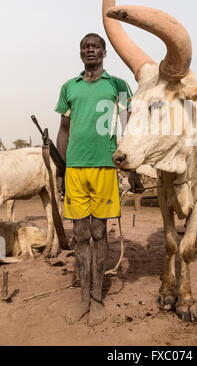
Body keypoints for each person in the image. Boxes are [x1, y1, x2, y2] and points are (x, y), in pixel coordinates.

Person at [55, 33, 143, 326]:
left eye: (95, 46)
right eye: (85, 46)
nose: (89, 50)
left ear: (105, 52)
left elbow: (129, 126)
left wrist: (132, 167)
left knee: (99, 233)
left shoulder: (118, 86)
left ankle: (96, 298)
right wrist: (60, 169)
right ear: (80, 53)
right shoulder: (70, 87)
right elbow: (64, 130)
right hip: (76, 168)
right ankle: (82, 298)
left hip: (105, 166)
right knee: (79, 235)